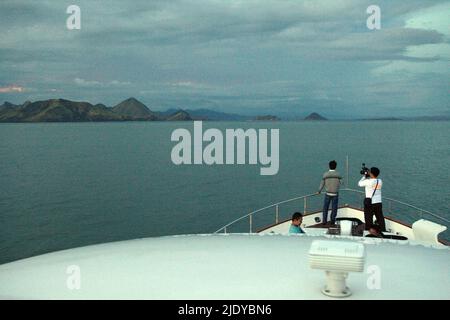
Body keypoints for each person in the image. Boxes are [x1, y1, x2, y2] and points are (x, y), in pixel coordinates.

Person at [358, 167, 386, 232]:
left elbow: (359, 183)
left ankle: (368, 231)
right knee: (380, 218)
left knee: (368, 218)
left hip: (370, 202)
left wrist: (364, 176)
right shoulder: (380, 181)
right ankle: (383, 230)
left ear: (371, 173)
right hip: (378, 202)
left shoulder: (368, 182)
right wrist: (369, 174)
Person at [317, 160, 342, 225]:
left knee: (325, 208)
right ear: (335, 166)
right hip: (335, 193)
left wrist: (319, 190)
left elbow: (322, 184)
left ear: (329, 166)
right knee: (334, 208)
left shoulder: (325, 174)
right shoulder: (338, 174)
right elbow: (342, 182)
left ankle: (324, 221)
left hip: (327, 193)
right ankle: (332, 221)